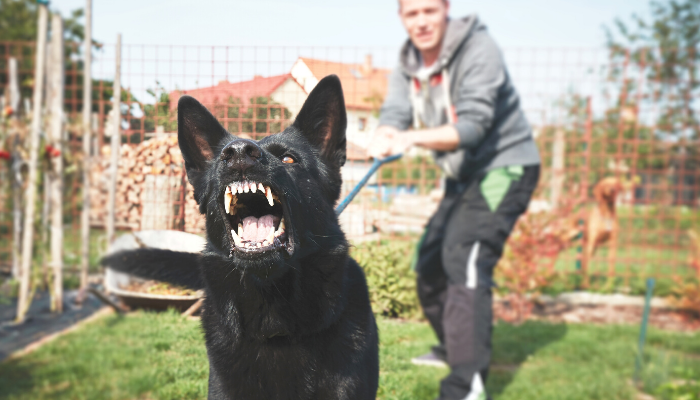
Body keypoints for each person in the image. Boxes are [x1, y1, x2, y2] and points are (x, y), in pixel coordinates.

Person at [368, 0, 541, 399]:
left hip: (504, 168)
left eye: (430, 10)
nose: (422, 21)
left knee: (464, 258)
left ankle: (467, 383)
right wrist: (385, 132)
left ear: (446, 10)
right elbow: (395, 111)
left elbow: (473, 126)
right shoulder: (407, 60)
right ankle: (454, 346)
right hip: (463, 176)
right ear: (402, 18)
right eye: (412, 13)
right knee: (428, 262)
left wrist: (408, 138)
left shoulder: (480, 49)